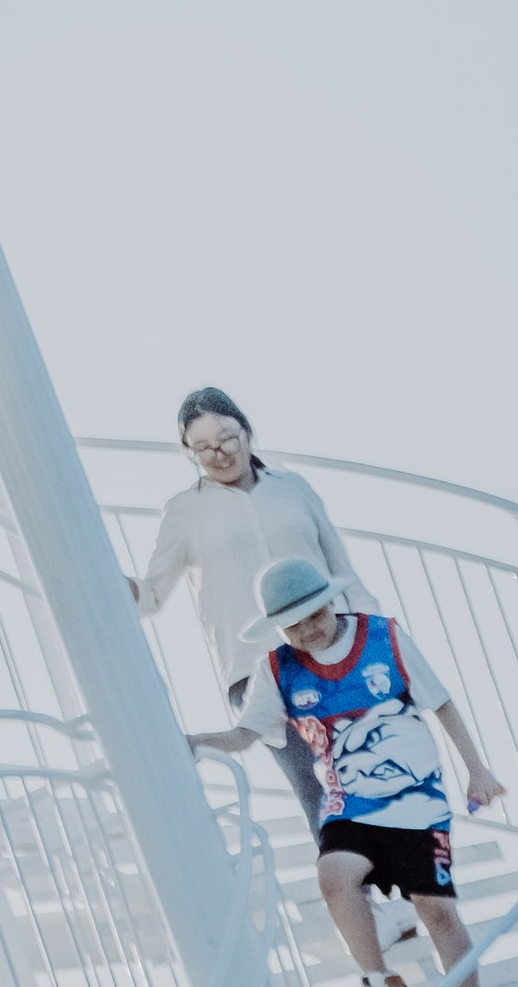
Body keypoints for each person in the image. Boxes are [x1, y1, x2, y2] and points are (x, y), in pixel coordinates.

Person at [191, 559, 505, 987]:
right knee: (334, 875)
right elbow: (245, 733)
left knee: (436, 910)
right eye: (292, 626)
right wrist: (196, 742)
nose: (308, 632)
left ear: (331, 602)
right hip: (351, 801)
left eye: (314, 616)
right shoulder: (277, 668)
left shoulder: (384, 638)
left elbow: (442, 701)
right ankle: (378, 976)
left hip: (414, 800)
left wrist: (477, 769)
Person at [128, 386, 364, 823]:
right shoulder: (184, 512)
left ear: (247, 432)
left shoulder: (293, 488)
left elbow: (342, 569)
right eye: (202, 448)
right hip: (257, 668)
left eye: (227, 439)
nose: (218, 454)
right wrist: (115, 586)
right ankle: (351, 887)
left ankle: (408, 880)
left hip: (332, 649)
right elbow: (152, 594)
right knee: (318, 788)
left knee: (369, 769)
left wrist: (377, 633)